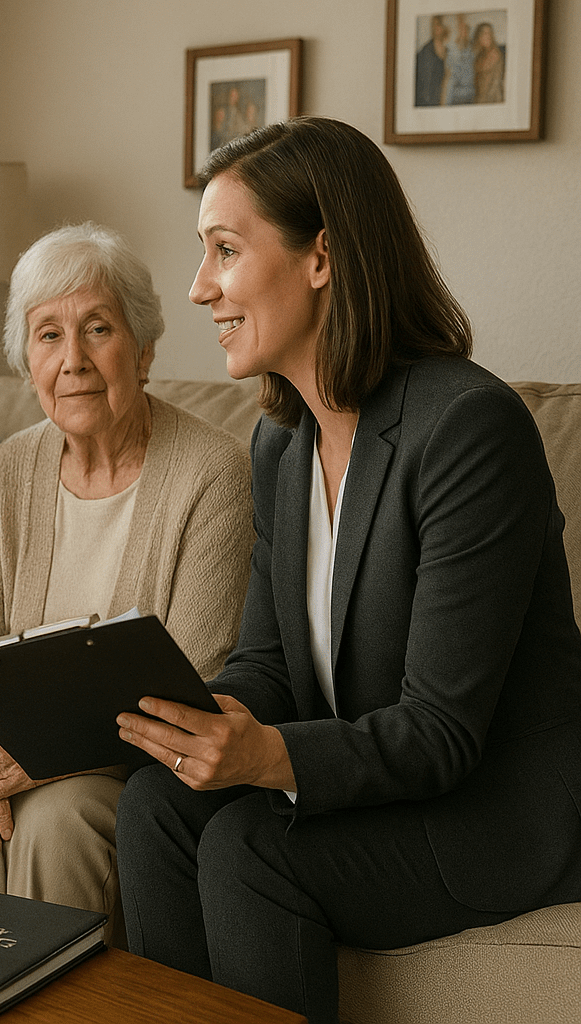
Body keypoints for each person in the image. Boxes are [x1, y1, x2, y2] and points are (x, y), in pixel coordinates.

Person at [115, 116, 581, 1024]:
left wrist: (268, 754)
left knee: (252, 847)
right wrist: (182, 715)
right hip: (382, 780)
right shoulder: (280, 444)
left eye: (224, 250)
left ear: (321, 255)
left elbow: (442, 731)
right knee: (155, 807)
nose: (199, 286)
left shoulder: (466, 431)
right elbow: (270, 666)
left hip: (494, 807)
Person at [0, 222, 252, 944]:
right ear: (26, 359)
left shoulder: (213, 471)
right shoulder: (11, 469)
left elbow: (194, 680)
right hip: (19, 755)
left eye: (97, 329)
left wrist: (33, 750)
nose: (73, 360)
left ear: (144, 347)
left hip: (139, 772)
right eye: (47, 335)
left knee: (59, 824)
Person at [414, 15, 448, 107]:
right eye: (433, 24)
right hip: (429, 105)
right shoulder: (425, 53)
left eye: (439, 24)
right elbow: (424, 91)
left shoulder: (449, 51)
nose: (435, 27)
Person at [443, 14, 476, 104]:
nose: (463, 32)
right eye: (460, 28)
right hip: (456, 98)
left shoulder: (472, 50)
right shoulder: (451, 51)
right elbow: (448, 79)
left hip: (471, 97)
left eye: (465, 28)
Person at [473, 21, 506, 104]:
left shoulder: (495, 54)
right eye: (484, 33)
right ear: (479, 36)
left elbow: (495, 85)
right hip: (480, 99)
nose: (488, 36)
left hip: (493, 99)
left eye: (489, 33)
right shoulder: (479, 56)